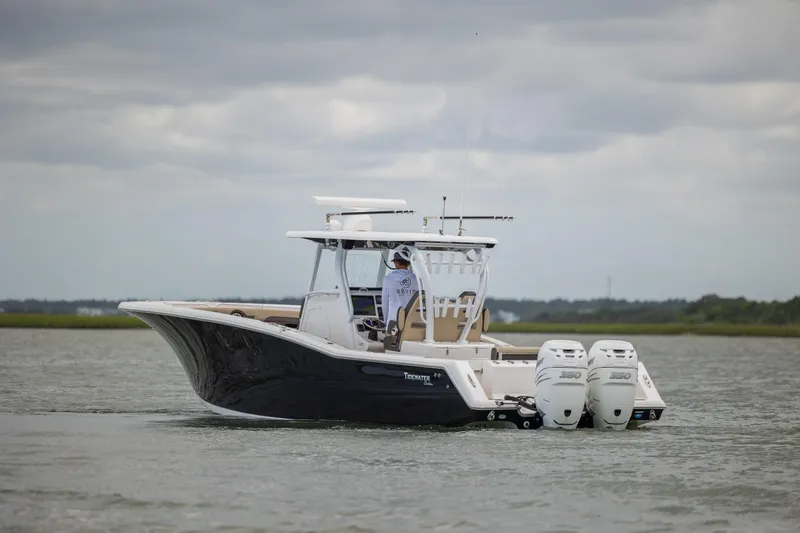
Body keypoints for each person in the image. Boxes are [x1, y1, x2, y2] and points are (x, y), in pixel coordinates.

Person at [381, 248, 419, 331]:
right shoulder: (417, 280)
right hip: (412, 322)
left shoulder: (389, 279)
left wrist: (386, 321)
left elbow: (385, 304)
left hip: (394, 322)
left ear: (396, 262)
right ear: (408, 263)